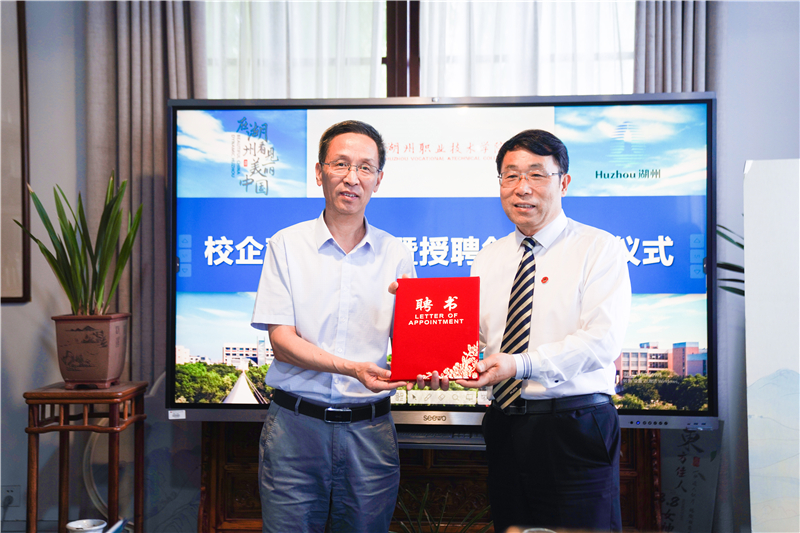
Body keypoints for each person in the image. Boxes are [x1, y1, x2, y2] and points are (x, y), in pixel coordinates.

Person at [434, 129, 631, 532]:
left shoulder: (599, 248)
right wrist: (427, 331)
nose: (522, 188)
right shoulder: (488, 258)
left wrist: (519, 365)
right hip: (505, 425)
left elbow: (602, 341)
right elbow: (476, 339)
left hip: (574, 425)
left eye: (537, 174)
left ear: (564, 182)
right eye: (511, 175)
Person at [251, 120, 415, 533]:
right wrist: (353, 368)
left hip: (370, 432)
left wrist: (439, 361)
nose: (352, 177)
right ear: (319, 171)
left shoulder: (396, 253)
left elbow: (414, 344)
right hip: (295, 429)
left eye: (365, 167)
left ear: (378, 180)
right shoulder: (286, 245)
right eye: (340, 164)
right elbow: (282, 343)